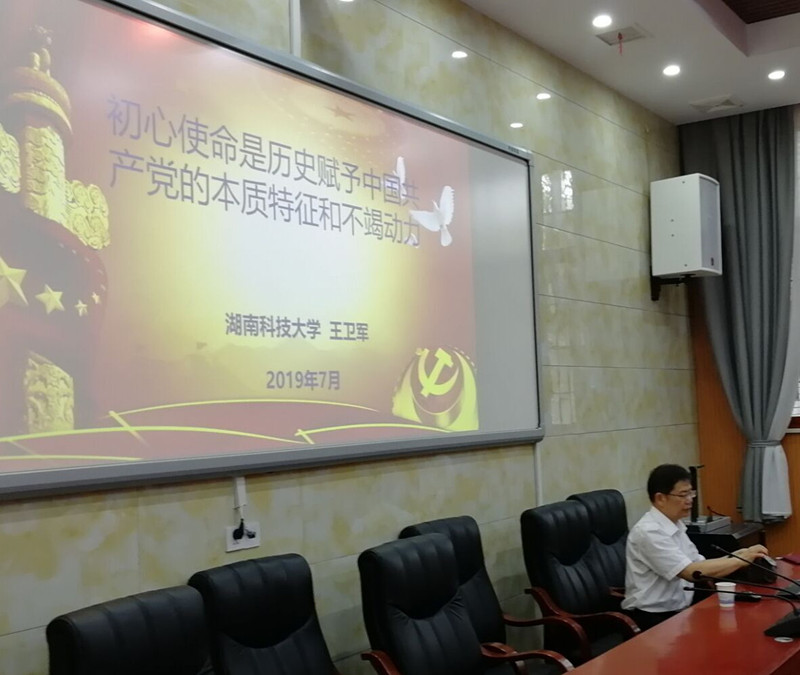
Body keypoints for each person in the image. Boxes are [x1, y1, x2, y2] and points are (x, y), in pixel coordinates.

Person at [621, 464, 769, 630]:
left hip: (680, 613)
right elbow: (692, 572)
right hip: (652, 618)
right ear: (660, 498)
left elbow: (699, 564)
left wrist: (739, 554)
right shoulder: (648, 532)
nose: (690, 499)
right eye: (683, 495)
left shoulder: (675, 525)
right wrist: (741, 560)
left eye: (691, 493)